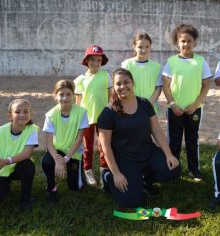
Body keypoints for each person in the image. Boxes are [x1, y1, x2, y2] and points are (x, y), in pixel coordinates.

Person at [98, 68, 180, 208]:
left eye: (126, 82)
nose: (123, 87)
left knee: (173, 170)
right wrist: (116, 173)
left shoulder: (144, 103)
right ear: (114, 86)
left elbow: (156, 130)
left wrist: (168, 154)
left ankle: (145, 180)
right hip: (125, 159)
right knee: (132, 201)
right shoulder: (108, 112)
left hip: (147, 153)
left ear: (132, 83)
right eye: (118, 84)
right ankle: (107, 177)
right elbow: (105, 146)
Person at [162, 24, 212, 181]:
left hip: (194, 110)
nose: (186, 44)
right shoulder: (171, 62)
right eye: (182, 41)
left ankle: (194, 170)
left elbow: (206, 85)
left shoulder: (201, 61)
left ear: (194, 42)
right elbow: (165, 85)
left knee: (192, 139)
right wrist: (172, 104)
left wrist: (196, 104)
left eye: (189, 41)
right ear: (177, 42)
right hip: (175, 109)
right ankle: (173, 170)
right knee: (174, 140)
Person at [0, 99, 39, 211]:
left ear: (30, 114)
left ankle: (26, 199)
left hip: (18, 167)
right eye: (17, 112)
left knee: (28, 165)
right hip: (1, 169)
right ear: (10, 115)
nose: (22, 115)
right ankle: (5, 184)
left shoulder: (32, 129)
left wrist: (5, 162)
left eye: (25, 111)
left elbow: (27, 153)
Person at [41, 80, 89, 202]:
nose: (65, 98)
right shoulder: (51, 115)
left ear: (74, 95)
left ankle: (76, 172)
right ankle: (51, 187)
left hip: (74, 152)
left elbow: (79, 139)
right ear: (55, 96)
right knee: (46, 162)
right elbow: (49, 142)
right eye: (61, 94)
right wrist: (58, 160)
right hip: (57, 151)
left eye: (68, 94)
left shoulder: (81, 112)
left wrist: (66, 159)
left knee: (76, 187)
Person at [74, 45, 112, 186]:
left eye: (98, 60)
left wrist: (110, 112)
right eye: (92, 60)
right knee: (87, 147)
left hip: (103, 118)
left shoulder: (106, 75)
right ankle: (88, 170)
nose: (96, 63)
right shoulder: (79, 80)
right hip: (86, 119)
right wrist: (78, 118)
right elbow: (78, 103)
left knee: (103, 145)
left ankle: (104, 171)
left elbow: (110, 96)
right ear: (86, 61)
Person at [121, 33, 163, 114]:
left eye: (147, 47)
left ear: (150, 47)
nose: (144, 50)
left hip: (150, 109)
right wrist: (134, 104)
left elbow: (158, 89)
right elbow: (124, 87)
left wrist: (147, 105)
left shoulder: (157, 67)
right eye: (140, 47)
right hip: (131, 107)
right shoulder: (126, 65)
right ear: (134, 47)